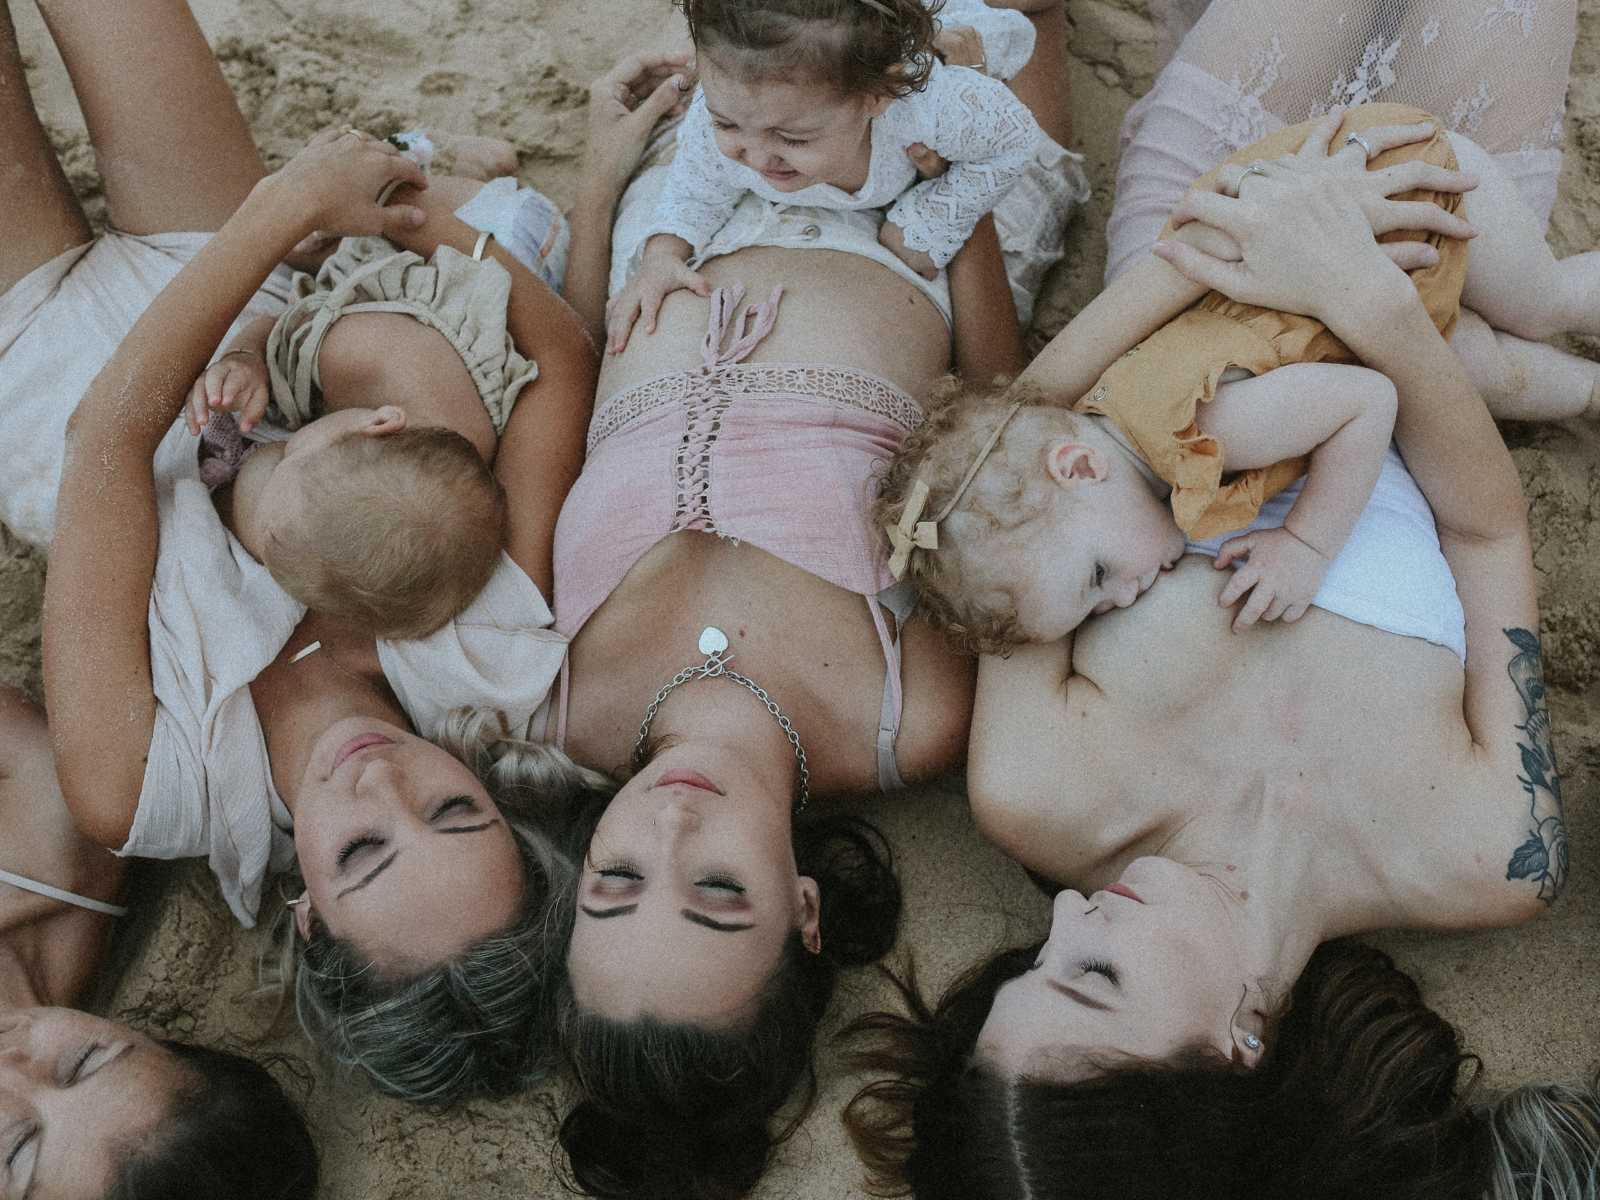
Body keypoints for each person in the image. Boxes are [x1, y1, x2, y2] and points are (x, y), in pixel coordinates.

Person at [840, 1, 1589, 1195]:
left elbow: (1019, 444)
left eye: (1034, 960)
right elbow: (1484, 526)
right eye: (1092, 975)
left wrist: (1223, 238)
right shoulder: (1488, 854)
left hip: (1198, 254)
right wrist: (1362, 292)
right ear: (1234, 1049)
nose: (1069, 915)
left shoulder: (1043, 793)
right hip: (1428, 291)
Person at [536, 3, 1091, 1195]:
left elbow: (559, 391)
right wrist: (958, 198)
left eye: (617, 882)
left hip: (683, 215)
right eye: (718, 894)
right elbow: (993, 413)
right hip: (922, 235)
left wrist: (599, 188)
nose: (669, 832)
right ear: (801, 911)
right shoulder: (911, 714)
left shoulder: (559, 694)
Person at [2, 0, 594, 1103]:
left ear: (308, 911)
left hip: (32, 359)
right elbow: (557, 357)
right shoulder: (489, 653)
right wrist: (408, 224)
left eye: (365, 853)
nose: (384, 788)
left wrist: (281, 208)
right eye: (454, 812)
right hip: (243, 288)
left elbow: (108, 446)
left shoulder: (145, 789)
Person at [878, 104, 1600, 647]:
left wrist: (1309, 545)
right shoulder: (1102, 421)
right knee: (1479, 374)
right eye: (1097, 612)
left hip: (1398, 203)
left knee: (1544, 303)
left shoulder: (1199, 428)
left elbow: (1365, 401)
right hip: (1359, 295)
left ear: (1077, 465)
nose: (1124, 598)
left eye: (1098, 579)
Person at [180, 139, 572, 640]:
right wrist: (246, 357)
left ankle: (469, 165)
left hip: (539, 258)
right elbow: (272, 322)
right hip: (490, 223)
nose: (279, 445)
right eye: (286, 455)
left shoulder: (447, 480)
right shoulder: (341, 353)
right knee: (344, 231)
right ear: (378, 424)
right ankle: (458, 166)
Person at [604, 0, 1089, 351]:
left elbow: (1013, 139)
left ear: (878, 97)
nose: (751, 155)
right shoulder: (732, 123)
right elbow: (694, 188)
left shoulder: (926, 105)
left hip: (943, 44)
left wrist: (930, 221)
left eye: (791, 138)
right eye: (726, 123)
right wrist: (662, 255)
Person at [0, 682, 319, 1200]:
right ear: (149, 1034)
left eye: (15, 1152)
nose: (13, 1069)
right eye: (84, 1060)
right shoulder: (45, 828)